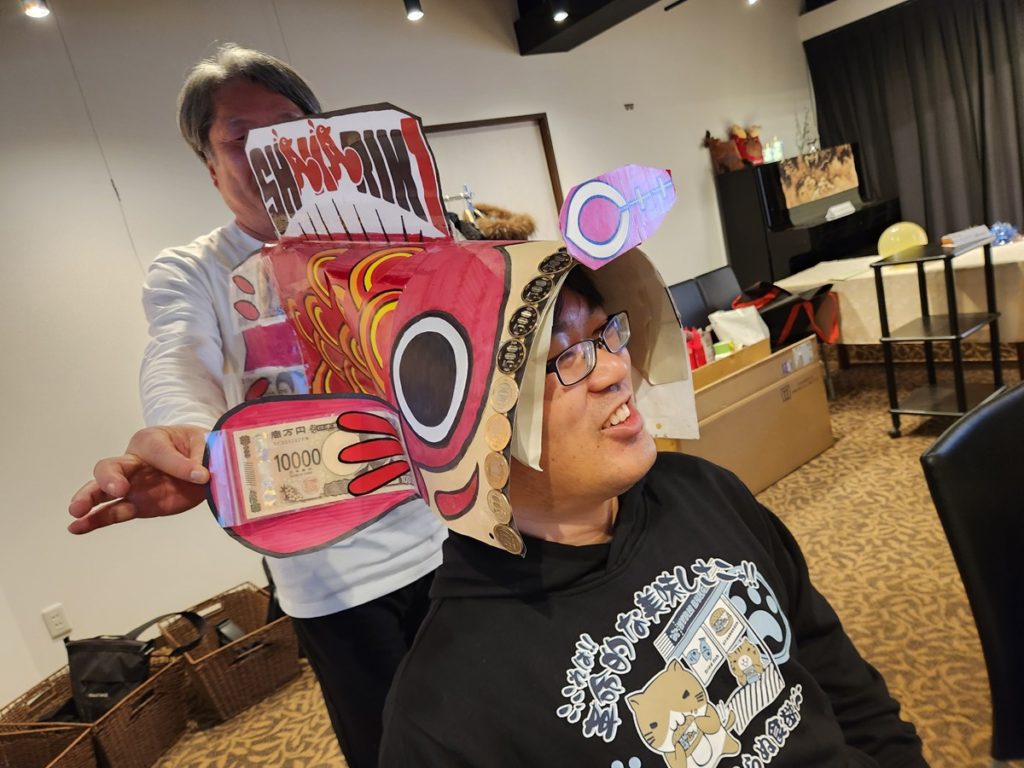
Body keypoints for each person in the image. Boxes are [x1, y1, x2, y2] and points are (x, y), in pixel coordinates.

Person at [377, 268, 928, 767]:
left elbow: (839, 679)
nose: (617, 368)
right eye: (565, 356)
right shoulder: (445, 714)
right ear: (473, 425)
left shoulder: (701, 490)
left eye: (605, 334)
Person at [67, 44, 446, 768]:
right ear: (212, 167)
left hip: (447, 527)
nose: (270, 150)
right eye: (242, 137)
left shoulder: (379, 239)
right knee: (392, 748)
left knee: (491, 714)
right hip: (332, 575)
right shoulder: (194, 270)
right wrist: (186, 430)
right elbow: (178, 353)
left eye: (289, 128)